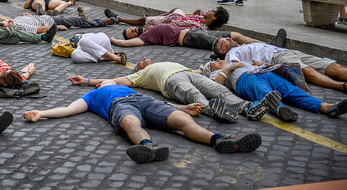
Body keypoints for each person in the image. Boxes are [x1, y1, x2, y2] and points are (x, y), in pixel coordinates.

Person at [24, 80, 262, 164]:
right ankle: (149, 149)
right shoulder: (93, 95)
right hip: (121, 107)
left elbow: (164, 104)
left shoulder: (125, 86)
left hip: (145, 101)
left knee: (182, 119)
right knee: (129, 122)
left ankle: (220, 141)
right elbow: (68, 109)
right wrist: (42, 113)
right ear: (99, 85)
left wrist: (184, 107)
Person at [70, 58, 279, 123]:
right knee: (194, 95)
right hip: (170, 82)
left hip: (190, 73)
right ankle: (215, 112)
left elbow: (205, 70)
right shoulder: (138, 76)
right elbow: (113, 79)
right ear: (139, 68)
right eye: (141, 61)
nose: (143, 59)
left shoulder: (166, 61)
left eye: (144, 59)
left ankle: (249, 108)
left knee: (219, 90)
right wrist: (87, 80)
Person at [202, 59, 347, 121]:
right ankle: (280, 110)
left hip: (265, 72)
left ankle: (325, 107)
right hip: (245, 79)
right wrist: (228, 68)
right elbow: (216, 85)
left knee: (292, 91)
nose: (218, 61)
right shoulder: (217, 73)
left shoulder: (235, 61)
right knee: (265, 93)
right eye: (213, 63)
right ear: (211, 69)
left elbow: (258, 63)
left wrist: (259, 63)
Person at [213, 39, 347, 93]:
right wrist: (255, 64)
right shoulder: (231, 53)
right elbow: (237, 65)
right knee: (307, 71)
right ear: (223, 50)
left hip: (284, 51)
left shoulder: (243, 45)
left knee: (331, 66)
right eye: (225, 41)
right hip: (276, 58)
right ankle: (341, 86)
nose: (229, 39)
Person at [110, 23, 264, 50]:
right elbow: (124, 44)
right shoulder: (146, 37)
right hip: (189, 38)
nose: (132, 30)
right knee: (225, 44)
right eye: (130, 33)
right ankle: (255, 50)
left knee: (235, 34)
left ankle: (267, 44)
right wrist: (111, 40)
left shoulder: (149, 27)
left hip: (194, 31)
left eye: (130, 29)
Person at [104, 6, 229, 30]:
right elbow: (198, 13)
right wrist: (198, 13)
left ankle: (119, 18)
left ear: (213, 17)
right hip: (176, 17)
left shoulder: (200, 27)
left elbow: (178, 28)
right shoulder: (202, 18)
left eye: (211, 11)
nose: (208, 10)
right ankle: (152, 18)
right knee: (177, 9)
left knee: (143, 21)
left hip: (170, 23)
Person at [0, 12, 116, 34]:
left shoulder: (14, 21)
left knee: (73, 21)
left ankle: (83, 19)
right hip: (50, 21)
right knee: (74, 21)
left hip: (45, 17)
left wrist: (26, 15)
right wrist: (56, 27)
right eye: (8, 24)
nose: (8, 21)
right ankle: (102, 22)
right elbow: (38, 29)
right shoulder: (20, 27)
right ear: (10, 28)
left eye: (5, 21)